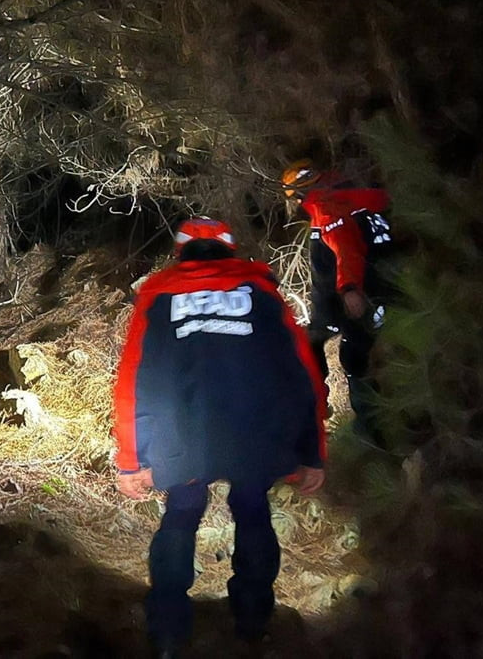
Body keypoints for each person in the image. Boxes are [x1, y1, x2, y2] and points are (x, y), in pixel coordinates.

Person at [113, 217, 326, 658]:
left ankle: (168, 632)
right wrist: (310, 452)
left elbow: (135, 379)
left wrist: (132, 458)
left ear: (181, 251)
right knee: (252, 512)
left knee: (182, 514)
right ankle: (252, 625)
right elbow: (301, 374)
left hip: (184, 436)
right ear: (229, 250)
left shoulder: (158, 296)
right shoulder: (261, 294)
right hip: (253, 436)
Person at [281, 159, 395, 441]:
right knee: (340, 349)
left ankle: (364, 429)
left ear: (298, 195)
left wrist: (349, 288)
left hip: (346, 297)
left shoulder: (326, 208)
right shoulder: (354, 195)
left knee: (348, 355)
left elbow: (346, 250)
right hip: (378, 285)